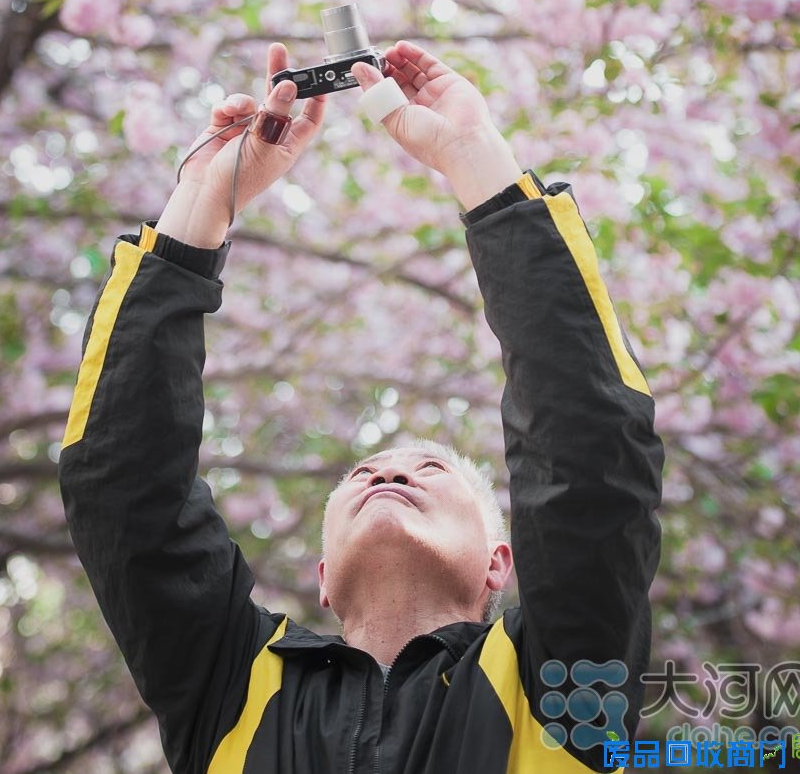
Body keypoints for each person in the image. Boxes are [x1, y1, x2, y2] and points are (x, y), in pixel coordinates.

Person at [59, 38, 664, 774]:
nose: (387, 472)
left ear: (499, 565)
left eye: (430, 471)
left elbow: (591, 453)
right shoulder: (233, 689)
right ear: (321, 574)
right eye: (365, 473)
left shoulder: (561, 679)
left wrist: (475, 160)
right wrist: (198, 205)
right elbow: (122, 487)